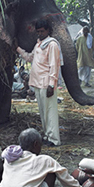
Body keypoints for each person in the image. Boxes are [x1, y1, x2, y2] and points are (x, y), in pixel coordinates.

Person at [16, 18, 62, 146]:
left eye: (42, 31)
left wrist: (52, 85)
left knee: (50, 112)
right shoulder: (39, 44)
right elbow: (30, 58)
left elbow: (54, 66)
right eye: (38, 31)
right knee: (43, 112)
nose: (40, 34)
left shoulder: (52, 44)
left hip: (47, 83)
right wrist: (18, 49)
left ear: (48, 30)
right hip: (37, 83)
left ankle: (54, 139)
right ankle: (47, 135)